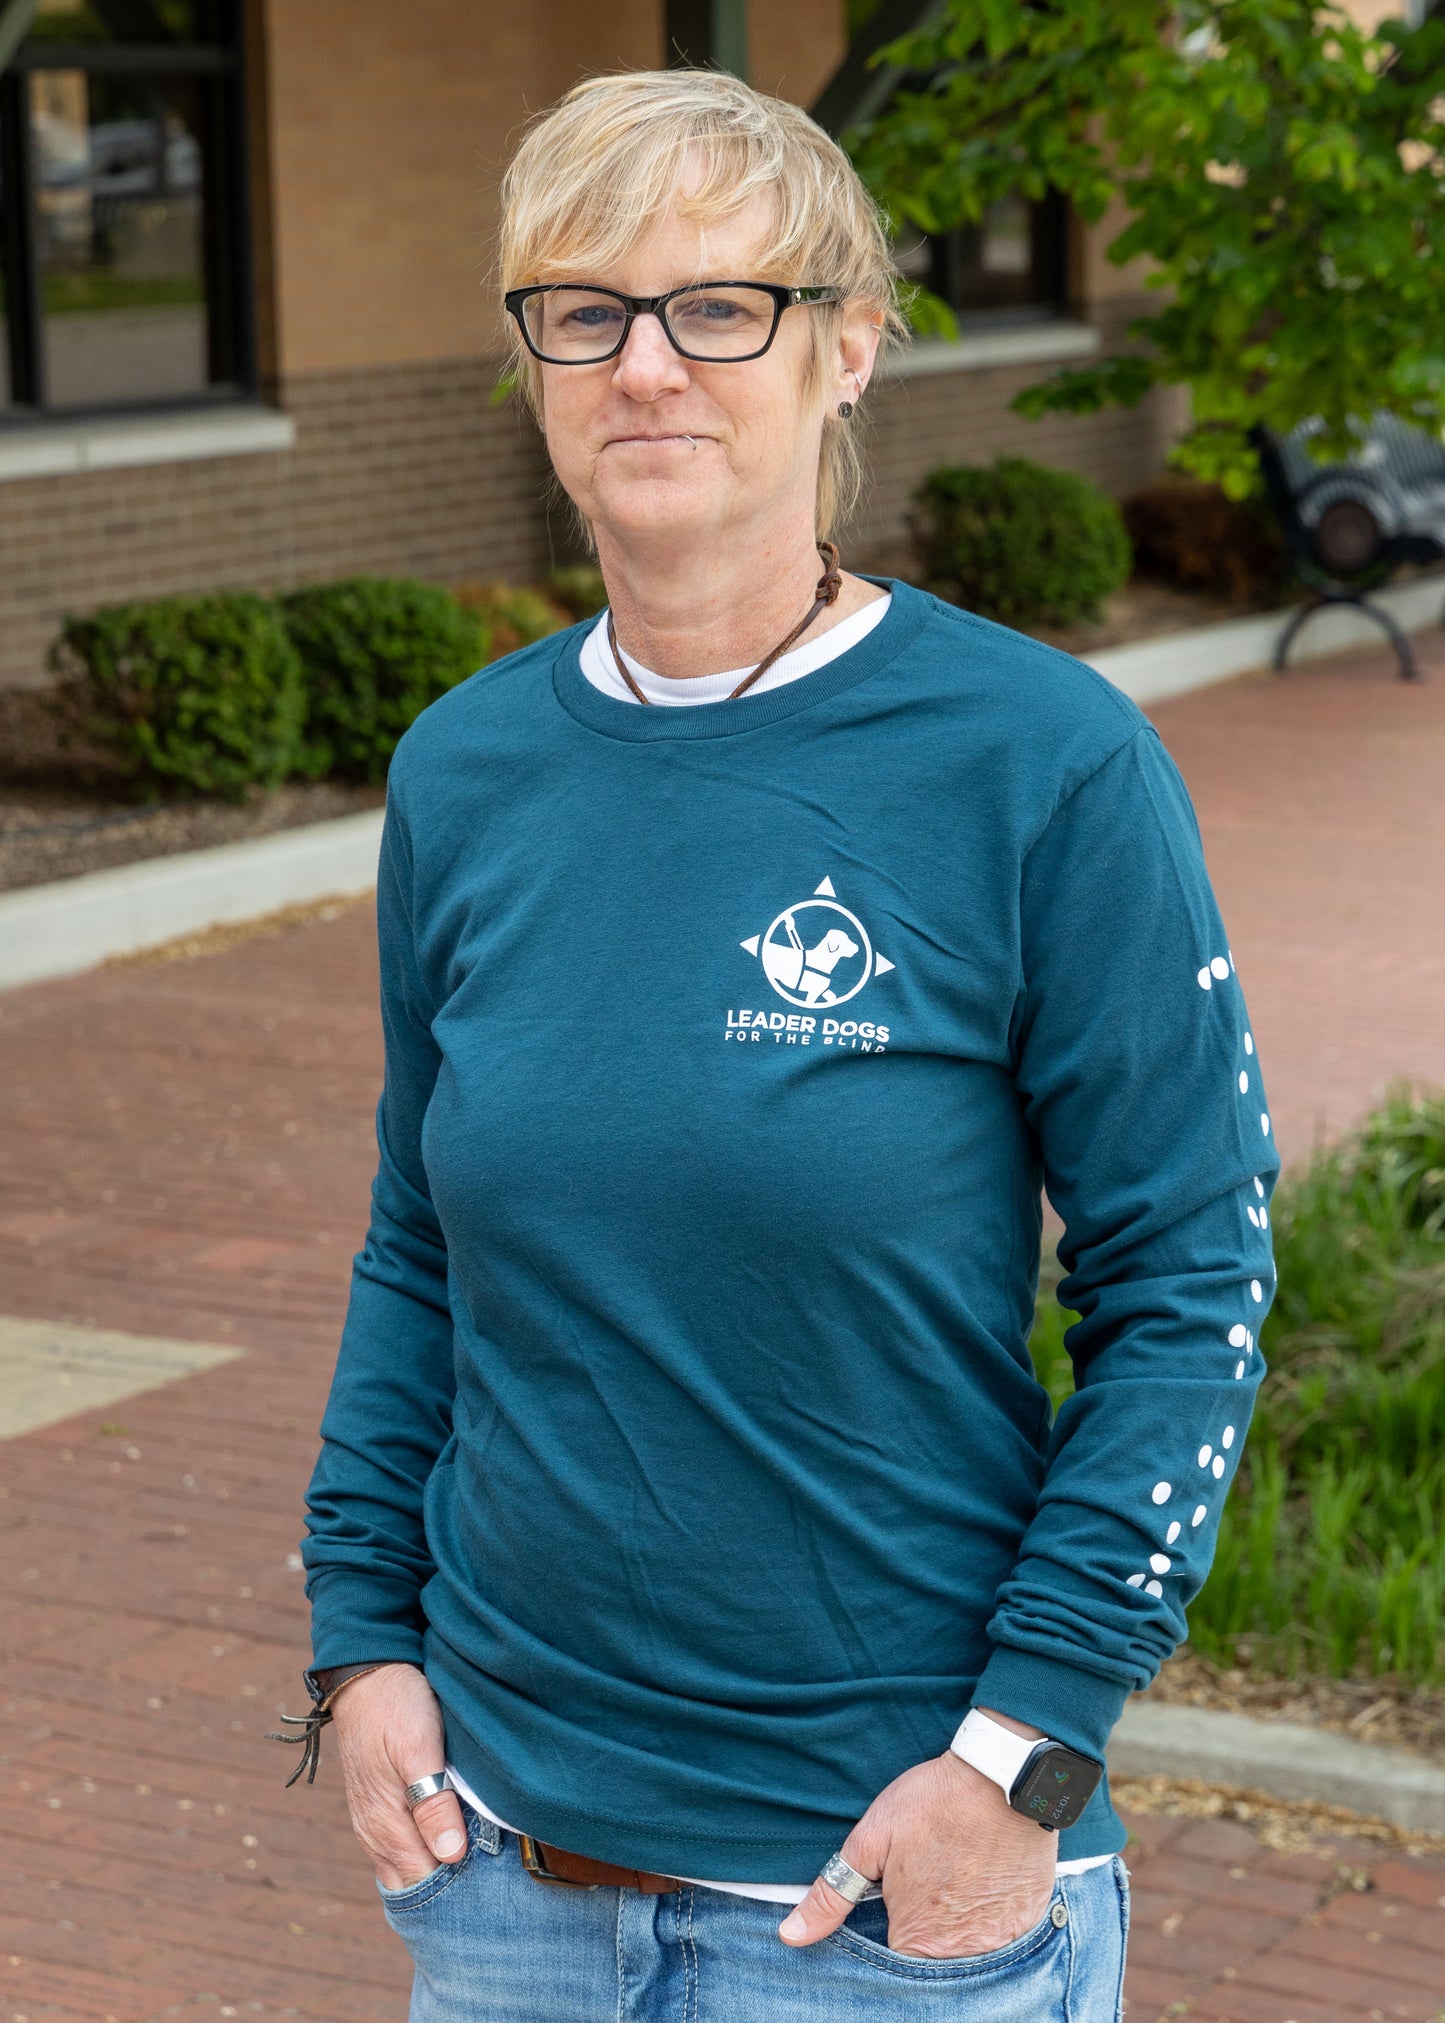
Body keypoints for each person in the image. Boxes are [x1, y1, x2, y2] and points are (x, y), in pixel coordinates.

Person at [287, 67, 1279, 2022]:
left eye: (720, 305)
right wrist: (357, 1647)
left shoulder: (1039, 764)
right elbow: (420, 1239)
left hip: (886, 1898)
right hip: (504, 1883)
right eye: (584, 309)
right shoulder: (467, 769)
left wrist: (1024, 1758)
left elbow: (1190, 1280)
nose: (647, 364)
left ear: (848, 348)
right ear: (536, 361)